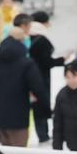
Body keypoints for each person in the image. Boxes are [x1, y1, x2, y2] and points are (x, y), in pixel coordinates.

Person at [0, 33, 41, 147]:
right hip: (19, 117)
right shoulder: (27, 64)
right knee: (19, 153)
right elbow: (38, 88)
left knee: (5, 149)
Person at [26, 12, 59, 144]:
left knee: (34, 104)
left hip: (27, 76)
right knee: (41, 104)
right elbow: (46, 62)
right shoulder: (42, 39)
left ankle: (38, 134)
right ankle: (43, 135)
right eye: (47, 21)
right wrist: (62, 60)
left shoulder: (26, 36)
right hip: (40, 77)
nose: (49, 25)